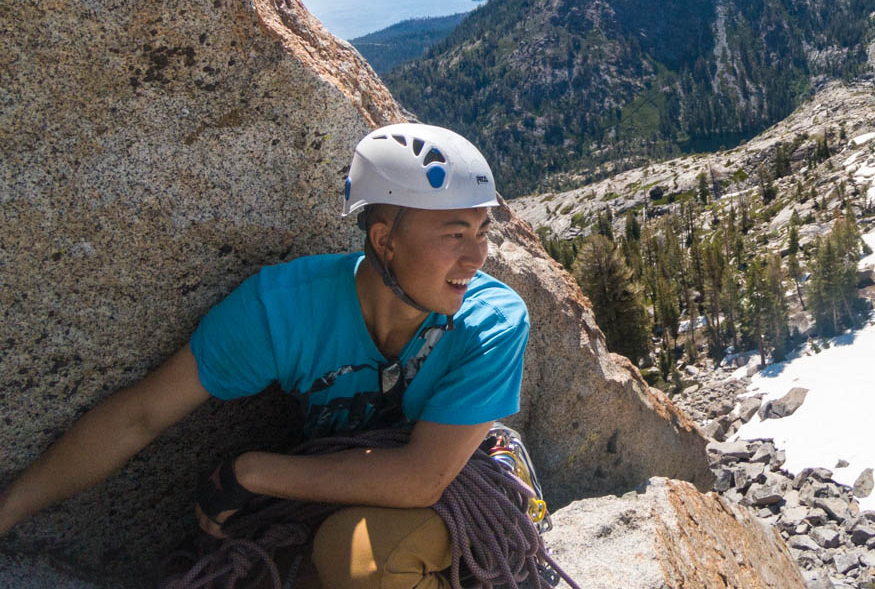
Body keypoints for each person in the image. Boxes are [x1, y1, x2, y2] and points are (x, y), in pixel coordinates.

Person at [0, 122, 530, 589]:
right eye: (455, 234)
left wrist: (252, 472)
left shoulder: (491, 322)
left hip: (448, 488)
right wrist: (8, 512)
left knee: (362, 561)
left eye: (482, 232)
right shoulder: (283, 310)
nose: (476, 257)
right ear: (385, 239)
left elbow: (422, 478)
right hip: (342, 498)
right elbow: (139, 416)